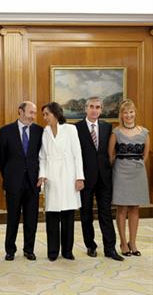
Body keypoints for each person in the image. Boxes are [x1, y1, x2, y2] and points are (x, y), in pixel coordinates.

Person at [75, 97, 124, 261]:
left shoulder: (107, 127)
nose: (94, 110)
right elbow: (75, 155)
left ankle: (110, 248)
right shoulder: (77, 128)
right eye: (91, 107)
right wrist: (78, 176)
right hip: (86, 177)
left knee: (106, 213)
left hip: (104, 177)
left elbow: (110, 152)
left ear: (101, 110)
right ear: (85, 108)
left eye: (97, 107)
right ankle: (91, 246)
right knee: (86, 213)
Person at [37, 102, 84, 262]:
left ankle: (67, 251)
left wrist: (80, 177)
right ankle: (52, 251)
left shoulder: (70, 129)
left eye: (46, 114)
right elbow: (42, 157)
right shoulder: (45, 132)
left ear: (56, 114)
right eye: (43, 115)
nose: (44, 118)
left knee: (68, 215)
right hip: (52, 178)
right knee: (52, 215)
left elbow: (77, 154)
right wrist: (42, 175)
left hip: (69, 175)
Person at [0, 101, 43, 261]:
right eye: (30, 112)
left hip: (33, 182)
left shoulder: (39, 131)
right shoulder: (6, 131)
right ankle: (10, 250)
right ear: (20, 111)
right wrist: (10, 175)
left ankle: (29, 249)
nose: (33, 116)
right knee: (13, 218)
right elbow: (1, 159)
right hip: (13, 182)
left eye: (34, 113)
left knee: (31, 218)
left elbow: (41, 156)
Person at [109, 99, 150, 257]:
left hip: (138, 173)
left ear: (135, 113)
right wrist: (120, 168)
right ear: (121, 115)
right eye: (125, 112)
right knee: (122, 209)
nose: (128, 115)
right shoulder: (116, 132)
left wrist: (136, 166)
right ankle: (123, 243)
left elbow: (145, 156)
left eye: (131, 112)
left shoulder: (145, 132)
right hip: (121, 172)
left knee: (134, 208)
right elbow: (110, 155)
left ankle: (133, 242)